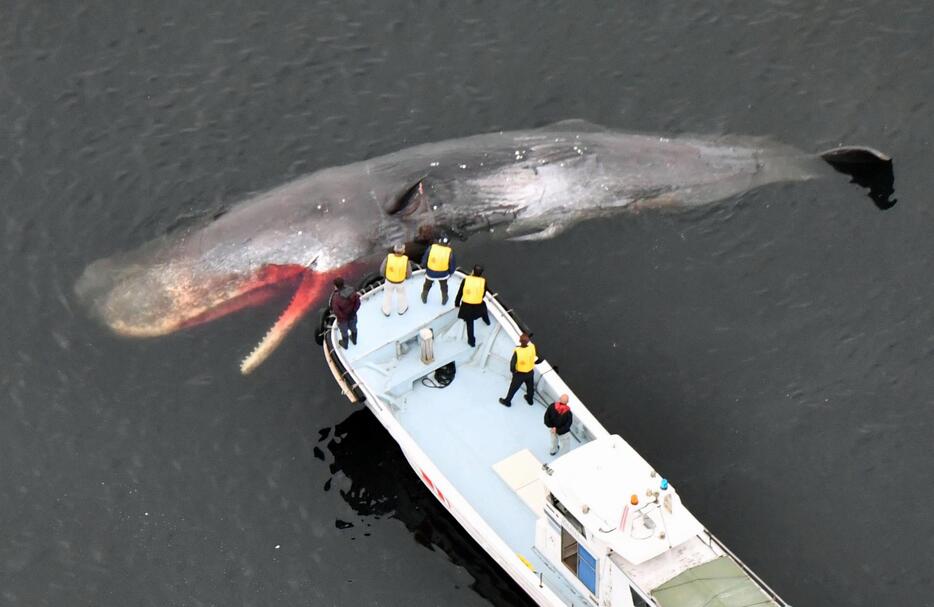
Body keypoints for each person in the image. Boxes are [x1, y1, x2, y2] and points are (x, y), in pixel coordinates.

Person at [499, 333, 541, 407]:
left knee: (513, 388)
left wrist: (514, 372)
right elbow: (541, 358)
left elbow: (512, 364)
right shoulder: (532, 347)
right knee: (530, 387)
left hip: (519, 374)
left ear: (519, 341)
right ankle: (530, 400)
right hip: (530, 372)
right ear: (528, 341)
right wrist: (535, 362)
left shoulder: (517, 351)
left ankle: (507, 401)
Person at [453, 264, 490, 347]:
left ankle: (471, 342)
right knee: (484, 309)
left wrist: (457, 303)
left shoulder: (466, 280)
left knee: (470, 324)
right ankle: (487, 321)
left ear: (473, 271)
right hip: (478, 305)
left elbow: (460, 293)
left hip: (466, 306)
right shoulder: (483, 281)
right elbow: (483, 294)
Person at [420, 235, 456, 305]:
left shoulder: (431, 248)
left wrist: (425, 267)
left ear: (439, 241)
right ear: (449, 244)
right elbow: (452, 266)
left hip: (430, 273)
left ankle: (424, 297)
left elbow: (424, 261)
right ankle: (444, 299)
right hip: (443, 274)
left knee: (427, 285)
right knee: (444, 286)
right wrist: (450, 273)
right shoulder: (450, 252)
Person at [380, 243, 412, 316]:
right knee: (401, 296)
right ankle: (402, 310)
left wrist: (385, 277)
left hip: (389, 281)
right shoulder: (406, 259)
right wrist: (406, 277)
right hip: (400, 282)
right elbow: (409, 273)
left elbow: (382, 270)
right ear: (403, 251)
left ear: (394, 250)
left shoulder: (389, 257)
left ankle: (386, 311)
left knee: (387, 296)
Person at [328, 277, 360, 349]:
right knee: (354, 328)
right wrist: (353, 311)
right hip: (353, 316)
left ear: (335, 286)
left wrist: (344, 317)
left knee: (344, 332)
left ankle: (345, 345)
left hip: (343, 320)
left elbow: (336, 311)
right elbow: (358, 302)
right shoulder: (352, 290)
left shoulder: (335, 298)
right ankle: (354, 340)